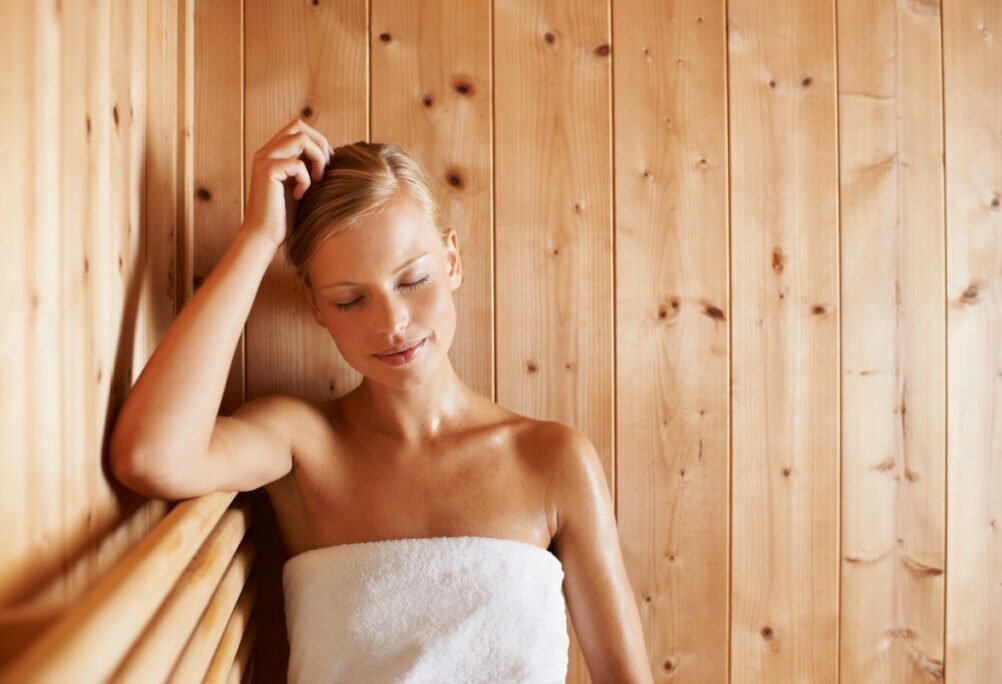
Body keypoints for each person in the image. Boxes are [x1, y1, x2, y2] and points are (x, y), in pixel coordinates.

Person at [110, 118, 653, 683]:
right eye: (349, 301)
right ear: (316, 307)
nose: (392, 324)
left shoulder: (553, 460)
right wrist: (258, 238)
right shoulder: (303, 444)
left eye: (413, 281)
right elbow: (151, 456)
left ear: (452, 261)